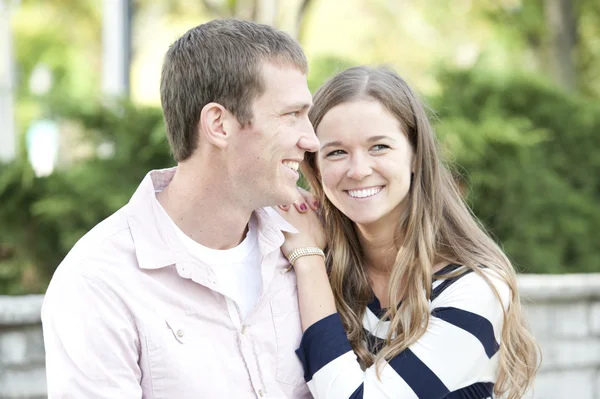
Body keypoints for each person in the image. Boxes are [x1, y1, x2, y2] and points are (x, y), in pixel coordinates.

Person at [41, 19, 319, 398]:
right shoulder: (98, 281)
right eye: (292, 115)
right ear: (219, 124)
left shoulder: (306, 245)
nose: (312, 140)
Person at [276, 66, 540, 399]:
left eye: (379, 147)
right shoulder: (321, 275)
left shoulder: (476, 290)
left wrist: (307, 257)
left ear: (415, 155)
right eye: (337, 152)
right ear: (315, 166)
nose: (358, 170)